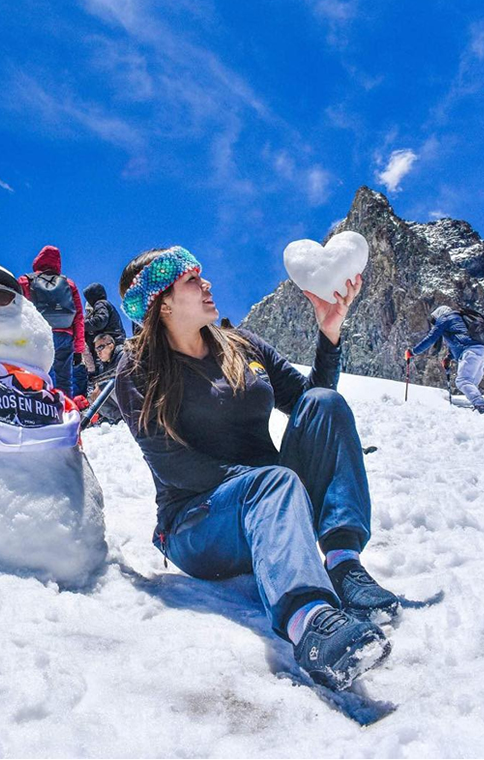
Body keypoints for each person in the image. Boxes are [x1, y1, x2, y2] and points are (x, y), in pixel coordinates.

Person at [115, 246, 398, 690]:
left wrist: (329, 333)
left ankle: (343, 563)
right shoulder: (138, 369)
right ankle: (312, 623)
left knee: (326, 404)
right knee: (272, 483)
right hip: (198, 522)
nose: (207, 283)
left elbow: (311, 407)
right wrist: (268, 489)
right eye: (192, 280)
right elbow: (176, 469)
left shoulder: (242, 346)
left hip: (272, 503)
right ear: (161, 303)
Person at [18, 246, 85, 398]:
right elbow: (79, 317)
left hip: (38, 333)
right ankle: (65, 413)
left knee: (39, 376)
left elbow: (17, 310)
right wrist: (79, 348)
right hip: (65, 336)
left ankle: (40, 413)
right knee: (65, 380)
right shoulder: (69, 283)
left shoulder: (25, 280)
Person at [406, 305, 484, 413]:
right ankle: (479, 407)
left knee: (463, 381)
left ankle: (480, 406)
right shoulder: (460, 319)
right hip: (483, 353)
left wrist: (413, 352)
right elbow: (459, 341)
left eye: (435, 321)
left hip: (471, 353)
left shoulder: (445, 318)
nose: (435, 323)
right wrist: (449, 358)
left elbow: (431, 338)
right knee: (471, 384)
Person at [89, 333, 124, 424]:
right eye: (96, 349)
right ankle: (119, 418)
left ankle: (125, 416)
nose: (98, 352)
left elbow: (123, 377)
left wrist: (101, 386)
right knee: (92, 395)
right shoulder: (103, 365)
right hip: (121, 402)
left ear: (111, 346)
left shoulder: (123, 355)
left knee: (106, 387)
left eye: (100, 348)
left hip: (132, 396)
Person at [84, 283, 126, 351]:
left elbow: (99, 322)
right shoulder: (106, 306)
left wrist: (80, 325)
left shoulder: (101, 303)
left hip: (109, 344)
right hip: (114, 344)